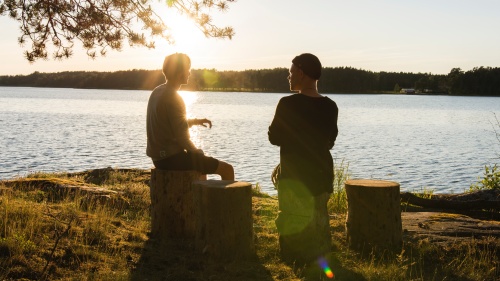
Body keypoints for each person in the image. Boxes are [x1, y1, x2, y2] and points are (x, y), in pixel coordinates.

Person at [268, 53, 339, 264]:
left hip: (294, 178)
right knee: (319, 218)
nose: (288, 77)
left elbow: (274, 137)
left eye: (290, 72)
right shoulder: (330, 106)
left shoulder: (287, 104)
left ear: (300, 72)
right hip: (321, 176)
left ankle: (295, 260)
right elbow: (330, 140)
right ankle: (321, 257)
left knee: (292, 220)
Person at [146, 53, 234, 180]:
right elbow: (183, 138)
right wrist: (197, 152)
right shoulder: (174, 97)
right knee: (227, 169)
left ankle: (202, 198)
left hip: (158, 159)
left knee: (200, 164)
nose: (189, 73)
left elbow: (170, 124)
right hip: (171, 159)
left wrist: (194, 122)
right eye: (187, 69)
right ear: (179, 73)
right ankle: (227, 200)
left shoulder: (157, 91)